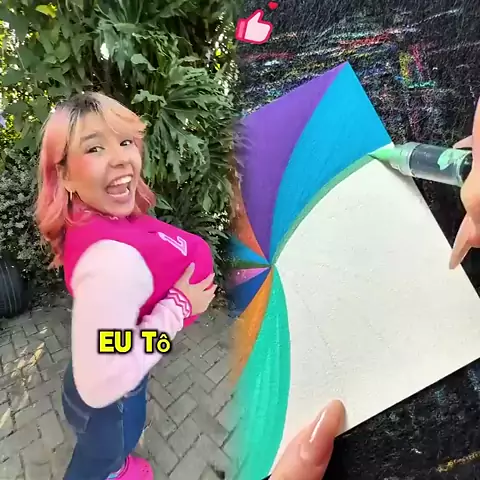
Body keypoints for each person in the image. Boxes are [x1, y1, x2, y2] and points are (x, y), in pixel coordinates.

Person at [35, 92, 217, 480]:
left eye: (125, 142)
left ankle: (115, 466)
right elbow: (100, 385)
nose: (121, 159)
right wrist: (179, 307)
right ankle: (112, 470)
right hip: (107, 402)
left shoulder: (89, 213)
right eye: (95, 148)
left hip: (95, 371)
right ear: (65, 174)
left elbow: (106, 342)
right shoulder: (112, 262)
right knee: (101, 457)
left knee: (110, 446)